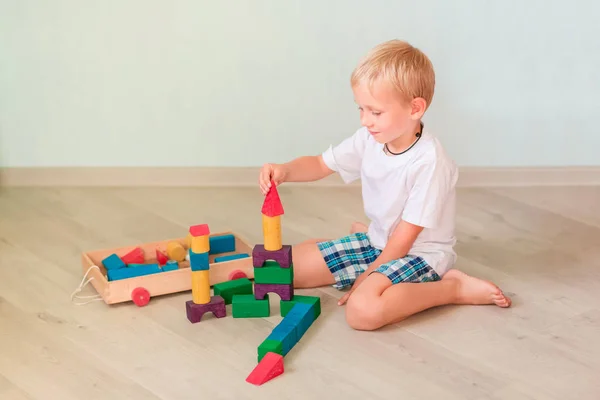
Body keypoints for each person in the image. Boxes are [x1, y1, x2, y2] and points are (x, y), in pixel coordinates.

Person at [258, 39, 511, 331]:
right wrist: (284, 171)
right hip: (378, 242)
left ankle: (453, 288)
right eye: (361, 109)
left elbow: (404, 238)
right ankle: (362, 239)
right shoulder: (371, 138)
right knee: (281, 271)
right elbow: (319, 164)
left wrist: (367, 277)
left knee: (362, 312)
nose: (366, 121)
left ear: (415, 108)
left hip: (419, 253)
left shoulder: (430, 162)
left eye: (375, 112)